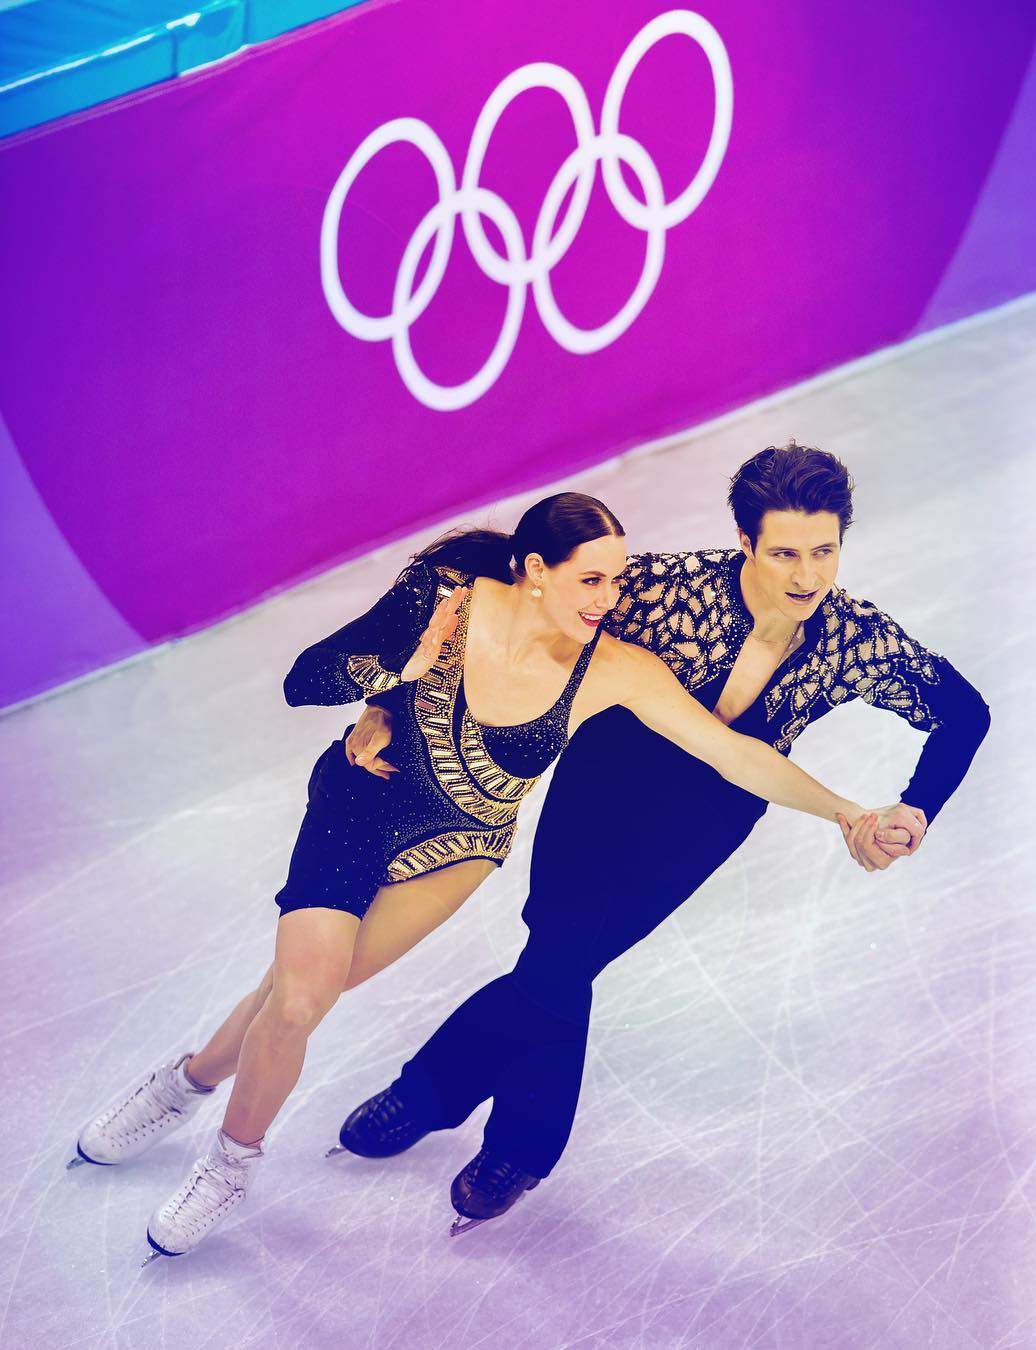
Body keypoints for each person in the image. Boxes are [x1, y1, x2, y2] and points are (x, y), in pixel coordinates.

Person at [66, 490, 893, 1265]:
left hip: (458, 846)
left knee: (300, 991)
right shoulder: (448, 595)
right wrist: (395, 673)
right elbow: (302, 681)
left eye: (617, 579)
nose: (611, 598)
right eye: (592, 579)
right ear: (535, 570)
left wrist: (845, 811)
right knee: (299, 996)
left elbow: (736, 755)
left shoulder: (615, 667)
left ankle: (187, 1082)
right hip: (363, 798)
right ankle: (225, 1161)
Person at [333, 444, 989, 1235]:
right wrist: (387, 704)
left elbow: (965, 713)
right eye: (785, 553)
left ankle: (432, 1088)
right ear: (745, 541)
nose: (807, 574)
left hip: (704, 825)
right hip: (602, 784)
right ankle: (507, 1143)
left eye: (824, 551)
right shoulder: (662, 589)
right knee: (560, 953)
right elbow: (505, 599)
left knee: (561, 964)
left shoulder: (853, 638)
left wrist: (915, 808)